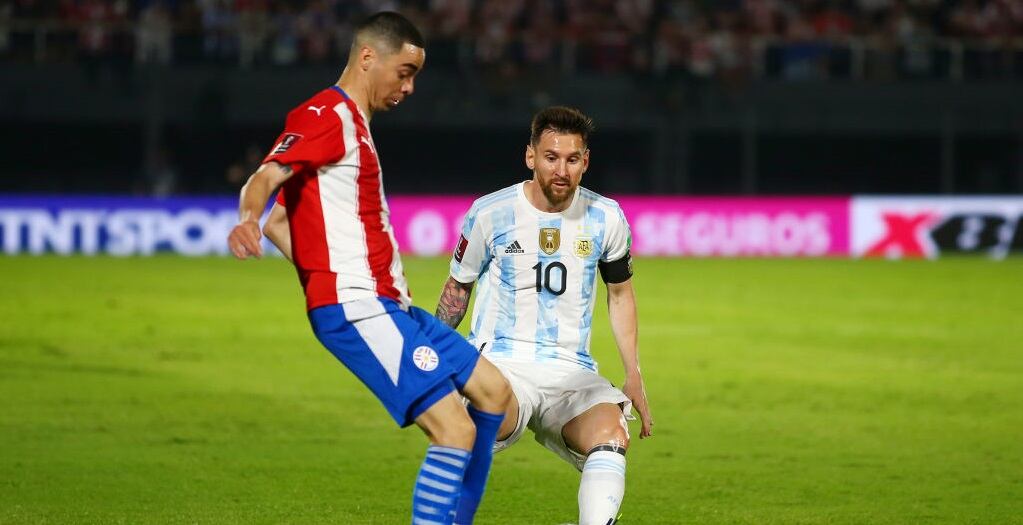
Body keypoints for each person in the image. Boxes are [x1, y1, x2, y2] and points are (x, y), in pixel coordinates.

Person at [227, 12, 511, 525]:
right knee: (454, 430)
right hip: (359, 306)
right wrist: (247, 216)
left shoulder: (354, 126)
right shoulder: (327, 115)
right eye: (404, 72)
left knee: (494, 393)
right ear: (367, 58)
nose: (410, 86)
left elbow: (281, 224)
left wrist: (319, 266)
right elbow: (266, 176)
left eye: (415, 75)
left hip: (385, 303)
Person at [434, 106, 654, 525]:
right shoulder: (490, 213)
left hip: (571, 372)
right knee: (476, 426)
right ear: (530, 156)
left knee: (610, 434)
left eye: (573, 159)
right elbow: (457, 290)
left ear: (585, 162)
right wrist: (429, 357)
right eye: (551, 157)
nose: (561, 169)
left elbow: (621, 293)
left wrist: (634, 374)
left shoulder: (606, 217)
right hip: (501, 366)